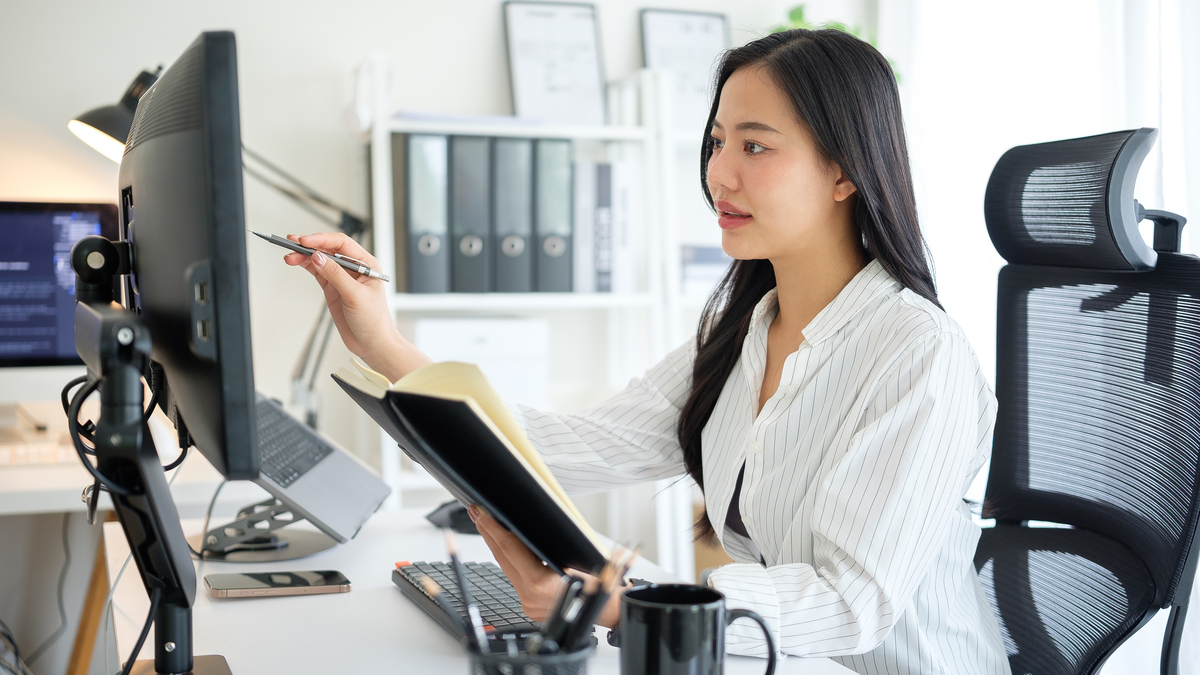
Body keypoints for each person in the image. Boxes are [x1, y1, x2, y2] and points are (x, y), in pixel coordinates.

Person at [283, 28, 1009, 675]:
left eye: (755, 146)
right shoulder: (744, 326)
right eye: (719, 141)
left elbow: (852, 605)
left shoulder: (920, 355)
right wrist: (383, 343)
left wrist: (616, 601)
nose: (719, 174)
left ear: (845, 171)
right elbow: (570, 447)